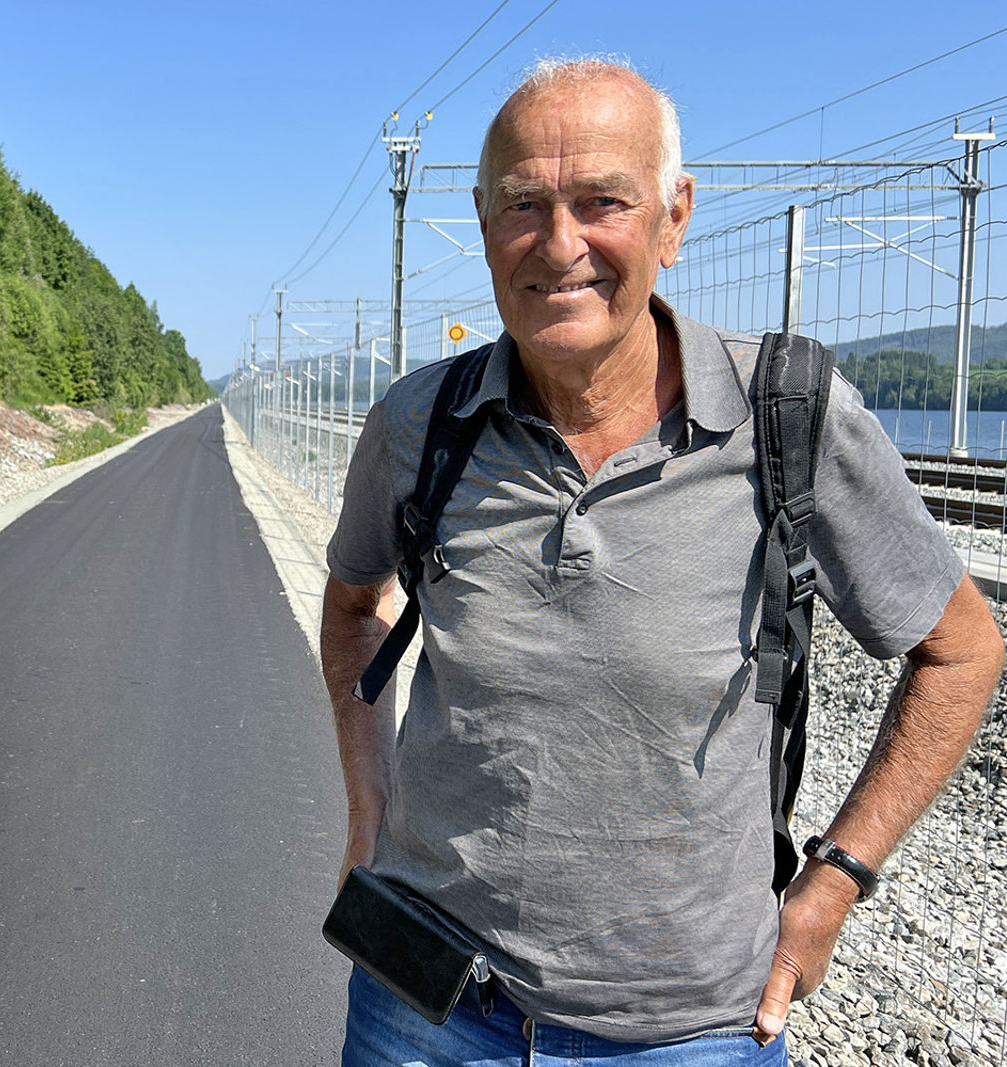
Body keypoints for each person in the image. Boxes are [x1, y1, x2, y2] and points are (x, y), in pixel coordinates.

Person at [322, 59, 1003, 1065]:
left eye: (603, 201)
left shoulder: (790, 419)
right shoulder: (420, 423)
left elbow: (961, 650)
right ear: (483, 220)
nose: (560, 244)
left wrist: (834, 880)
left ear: (673, 218)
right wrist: (367, 805)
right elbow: (353, 606)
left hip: (690, 1034)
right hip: (422, 1005)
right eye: (522, 203)